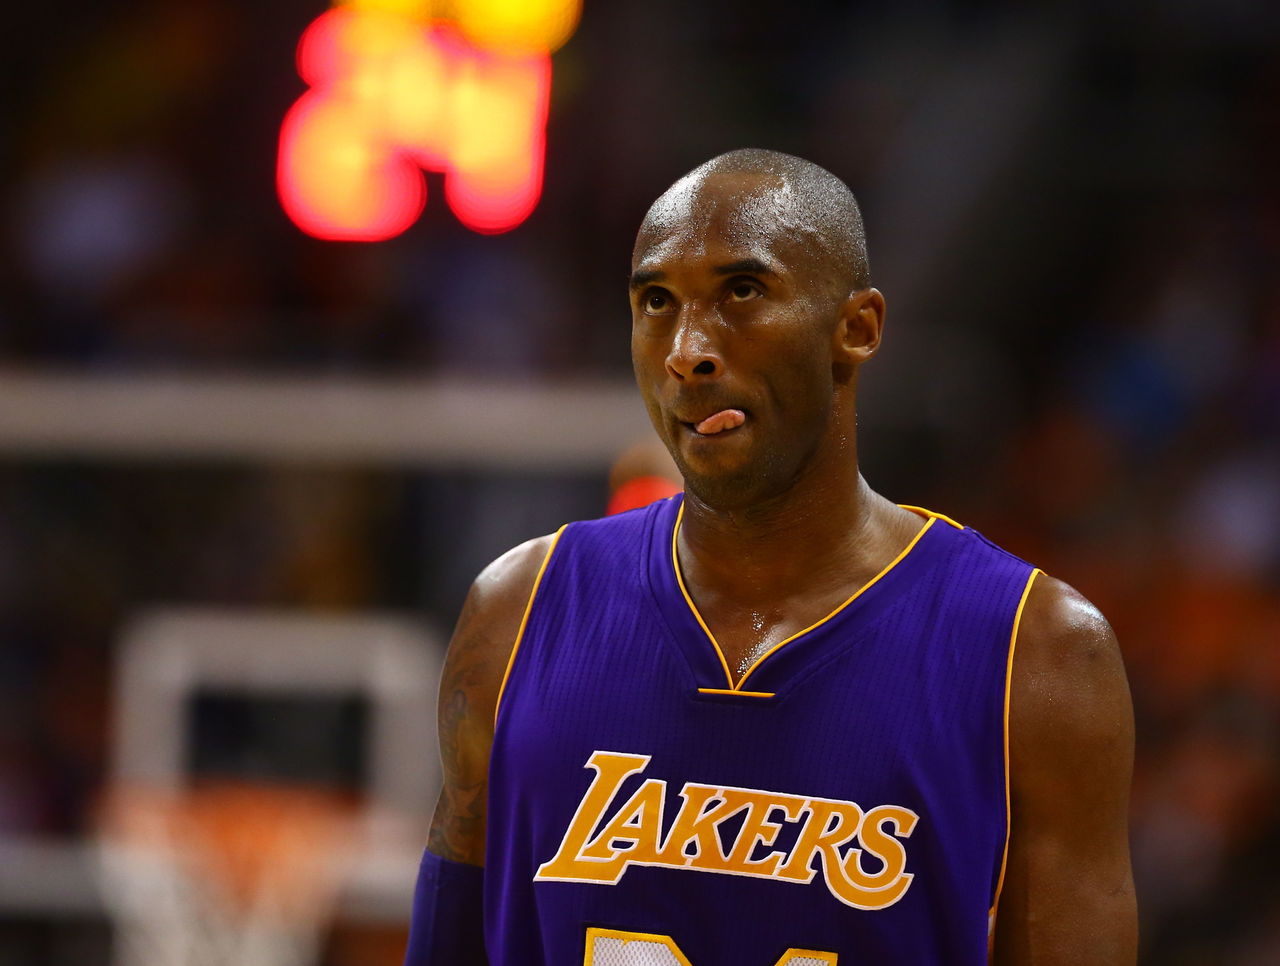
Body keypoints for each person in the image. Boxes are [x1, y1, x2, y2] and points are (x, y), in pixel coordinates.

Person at [404, 149, 1137, 965]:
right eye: (656, 302)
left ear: (857, 329)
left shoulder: (1037, 654)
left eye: (742, 292)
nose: (688, 350)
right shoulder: (516, 613)